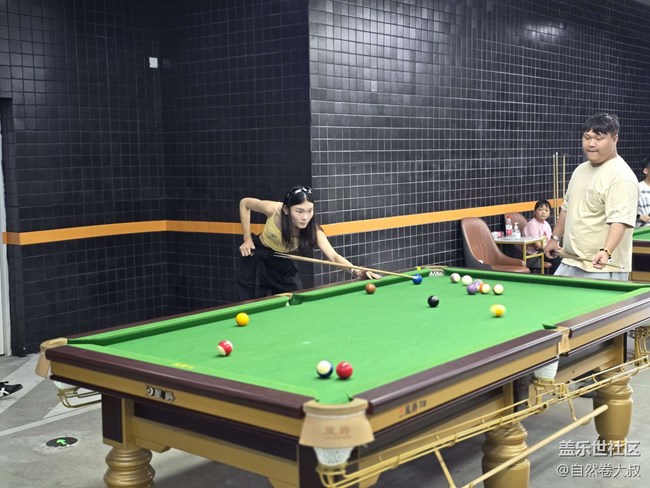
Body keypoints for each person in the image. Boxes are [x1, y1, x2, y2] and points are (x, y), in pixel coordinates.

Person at [237, 185, 381, 300]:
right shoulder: (274, 210)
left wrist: (356, 271)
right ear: (286, 209)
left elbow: (334, 256)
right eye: (299, 211)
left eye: (310, 211)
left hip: (284, 264)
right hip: (257, 258)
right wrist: (247, 239)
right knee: (249, 304)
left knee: (296, 302)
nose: (305, 217)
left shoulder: (314, 231)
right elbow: (245, 203)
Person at [544, 113, 638, 281]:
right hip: (570, 260)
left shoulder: (622, 176)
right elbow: (567, 208)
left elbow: (620, 220)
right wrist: (555, 238)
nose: (591, 144)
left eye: (599, 138)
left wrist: (606, 251)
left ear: (614, 139)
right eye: (587, 138)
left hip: (601, 266)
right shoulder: (580, 170)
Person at [523, 199, 561, 274]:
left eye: (546, 210)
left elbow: (551, 241)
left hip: (545, 251)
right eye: (540, 210)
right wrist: (551, 249)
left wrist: (558, 248)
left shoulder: (546, 224)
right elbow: (537, 245)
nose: (543, 212)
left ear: (549, 213)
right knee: (557, 260)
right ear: (534, 212)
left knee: (563, 258)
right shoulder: (532, 224)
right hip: (534, 255)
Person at [636, 157, 650, 227]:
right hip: (642, 230)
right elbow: (627, 210)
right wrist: (639, 216)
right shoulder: (637, 188)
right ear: (646, 171)